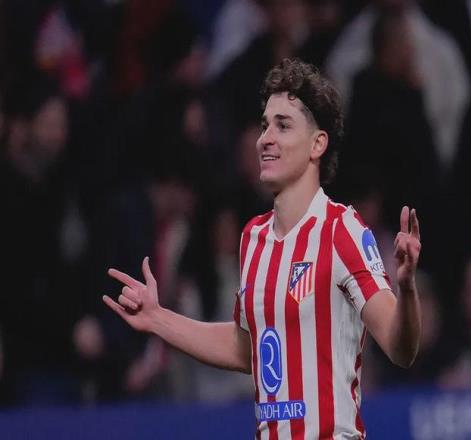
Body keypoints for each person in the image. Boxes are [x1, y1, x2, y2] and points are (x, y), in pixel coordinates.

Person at [103, 58, 422, 438]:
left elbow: (400, 349)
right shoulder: (253, 238)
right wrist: (159, 319)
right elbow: (246, 348)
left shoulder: (342, 230)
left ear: (317, 144)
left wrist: (406, 288)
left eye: (283, 125)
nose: (264, 138)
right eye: (265, 124)